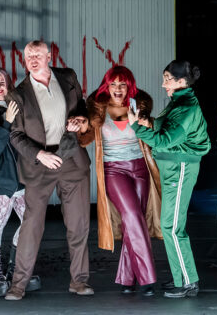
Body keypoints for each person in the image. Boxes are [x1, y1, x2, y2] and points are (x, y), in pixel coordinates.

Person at [3, 40, 92, 300]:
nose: (32, 59)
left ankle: (79, 281)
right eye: (28, 56)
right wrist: (39, 154)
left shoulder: (68, 76)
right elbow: (16, 136)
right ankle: (18, 284)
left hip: (71, 159)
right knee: (31, 226)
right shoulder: (18, 93)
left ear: (49, 56)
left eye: (37, 55)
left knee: (79, 224)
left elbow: (82, 106)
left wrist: (81, 120)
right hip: (40, 164)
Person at [72, 65, 161, 297]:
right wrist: (82, 129)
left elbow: (149, 135)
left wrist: (146, 125)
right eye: (113, 84)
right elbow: (86, 139)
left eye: (123, 84)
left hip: (140, 167)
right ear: (107, 86)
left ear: (129, 86)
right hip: (114, 170)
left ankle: (126, 278)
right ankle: (147, 277)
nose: (118, 89)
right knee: (131, 216)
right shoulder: (97, 109)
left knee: (136, 221)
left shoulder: (138, 106)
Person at [129, 60, 211, 299]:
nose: (163, 83)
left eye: (167, 78)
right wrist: (150, 124)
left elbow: (165, 140)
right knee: (171, 225)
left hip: (180, 167)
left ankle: (187, 282)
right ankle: (181, 276)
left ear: (181, 82)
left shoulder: (186, 108)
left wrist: (137, 127)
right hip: (174, 167)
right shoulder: (180, 102)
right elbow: (168, 131)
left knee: (172, 227)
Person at [0, 67, 40, 297]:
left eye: (1, 83)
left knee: (29, 224)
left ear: (8, 84)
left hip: (23, 180)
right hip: (0, 181)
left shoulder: (20, 107)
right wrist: (6, 122)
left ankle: (18, 269)